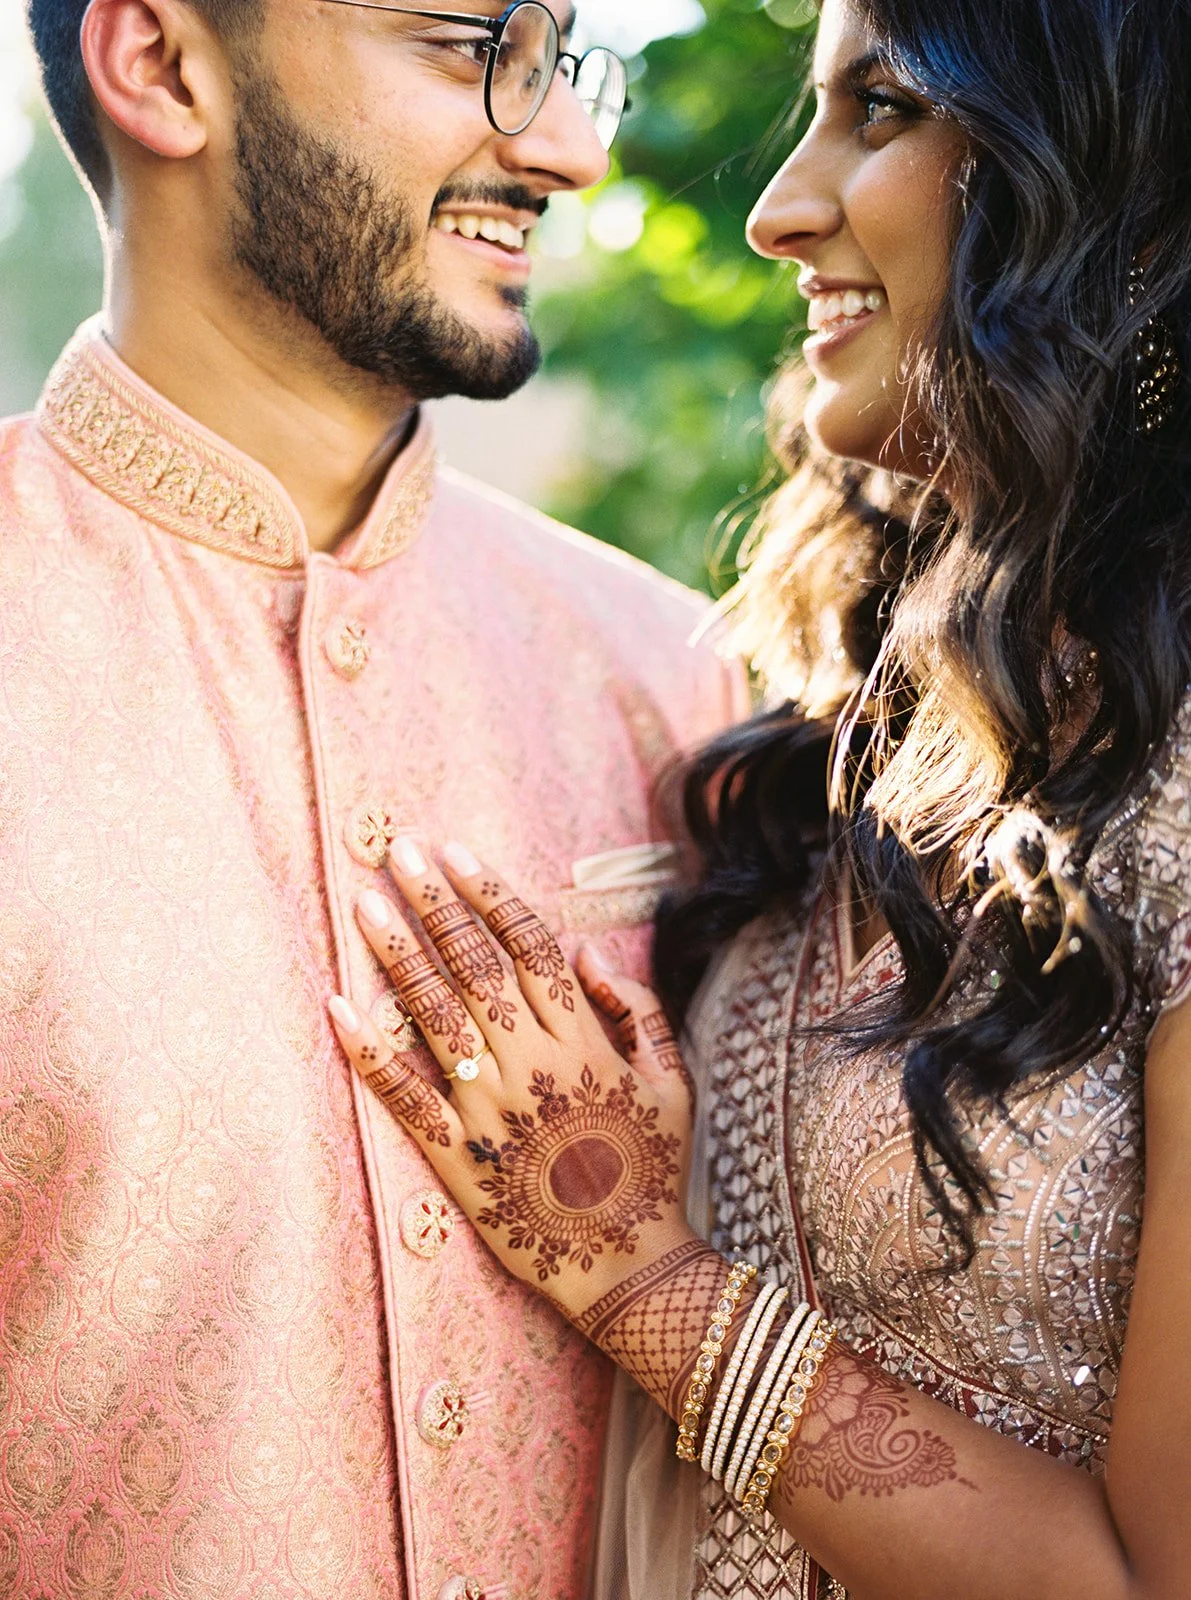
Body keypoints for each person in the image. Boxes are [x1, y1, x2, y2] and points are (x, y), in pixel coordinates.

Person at [328, 0, 1191, 1594]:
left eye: (882, 107)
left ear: (1113, 177)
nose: (777, 208)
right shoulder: (829, 722)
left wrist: (631, 1270)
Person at [0, 1, 744, 1594]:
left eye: (559, 64)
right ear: (162, 66)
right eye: (469, 46)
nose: (567, 149)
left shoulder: (673, 685)